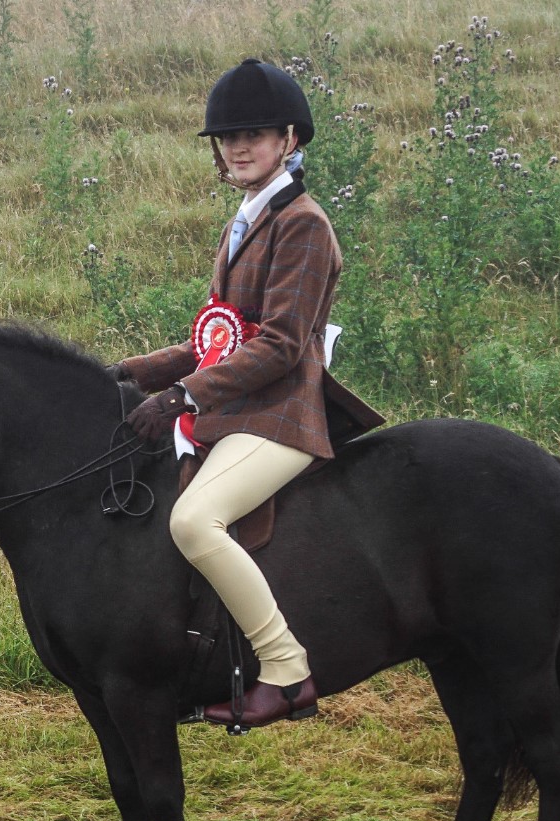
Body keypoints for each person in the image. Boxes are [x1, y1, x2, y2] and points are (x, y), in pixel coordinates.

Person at [113, 60, 378, 729]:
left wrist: (181, 395)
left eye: (253, 133)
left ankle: (286, 669)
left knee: (192, 520)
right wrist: (132, 371)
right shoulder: (246, 219)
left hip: (285, 413)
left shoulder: (304, 224)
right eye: (227, 136)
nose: (237, 147)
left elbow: (283, 343)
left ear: (290, 139)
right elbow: (223, 335)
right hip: (243, 407)